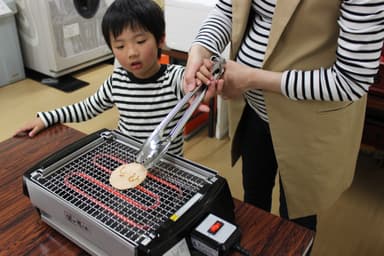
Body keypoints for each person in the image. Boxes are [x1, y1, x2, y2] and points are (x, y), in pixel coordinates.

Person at [184, 0, 384, 232]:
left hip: (309, 124)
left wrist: (251, 78)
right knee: (254, 196)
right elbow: (227, 9)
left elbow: (351, 81)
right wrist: (200, 48)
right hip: (252, 108)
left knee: (298, 216)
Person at [14, 0, 188, 157]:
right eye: (120, 46)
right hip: (128, 161)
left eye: (141, 41)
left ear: (160, 40)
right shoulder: (117, 81)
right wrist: (46, 118)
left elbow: (192, 82)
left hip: (169, 169)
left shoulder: (174, 78)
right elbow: (87, 108)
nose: (132, 53)